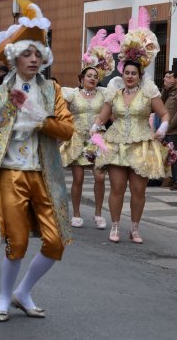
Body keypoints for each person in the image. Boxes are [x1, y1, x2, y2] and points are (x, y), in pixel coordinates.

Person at [0, 0, 74, 322]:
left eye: (39, 54)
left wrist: (39, 116)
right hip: (10, 175)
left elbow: (67, 130)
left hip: (44, 176)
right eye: (28, 53)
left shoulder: (52, 91)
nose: (34, 59)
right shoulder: (0, 94)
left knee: (56, 242)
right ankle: (2, 298)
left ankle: (22, 292)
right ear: (14, 57)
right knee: (18, 242)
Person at [93, 7, 171, 244]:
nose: (129, 76)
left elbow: (165, 114)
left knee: (138, 190)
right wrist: (93, 130)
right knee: (117, 187)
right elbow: (102, 117)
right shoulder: (114, 91)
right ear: (122, 73)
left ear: (140, 74)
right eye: (126, 72)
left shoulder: (149, 92)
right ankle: (115, 225)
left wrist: (161, 130)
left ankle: (134, 228)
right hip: (116, 144)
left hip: (141, 145)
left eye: (133, 73)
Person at [60, 27, 122, 230]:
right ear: (81, 79)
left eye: (95, 76)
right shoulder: (71, 94)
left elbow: (112, 115)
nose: (93, 78)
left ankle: (98, 213)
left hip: (97, 140)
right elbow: (62, 114)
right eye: (89, 76)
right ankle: (76, 213)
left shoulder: (104, 94)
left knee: (99, 176)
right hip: (77, 138)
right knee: (77, 178)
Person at [161, 71, 177, 190]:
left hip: (175, 131)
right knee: (169, 156)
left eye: (169, 77)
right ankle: (171, 178)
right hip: (168, 130)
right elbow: (160, 102)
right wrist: (165, 89)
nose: (166, 79)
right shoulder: (171, 91)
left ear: (176, 79)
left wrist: (169, 126)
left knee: (176, 157)